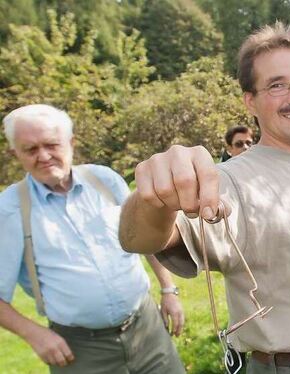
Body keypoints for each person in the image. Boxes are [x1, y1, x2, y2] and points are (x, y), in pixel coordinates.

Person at [118, 23, 290, 374]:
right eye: (277, 85)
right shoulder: (230, 182)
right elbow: (137, 238)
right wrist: (151, 200)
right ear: (249, 100)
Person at [0, 104, 185, 373]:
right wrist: (33, 333)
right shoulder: (9, 210)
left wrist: (168, 289)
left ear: (71, 143)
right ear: (14, 153)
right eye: (30, 149)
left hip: (147, 327)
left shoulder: (104, 179)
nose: (43, 156)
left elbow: (147, 236)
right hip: (80, 350)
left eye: (52, 145)